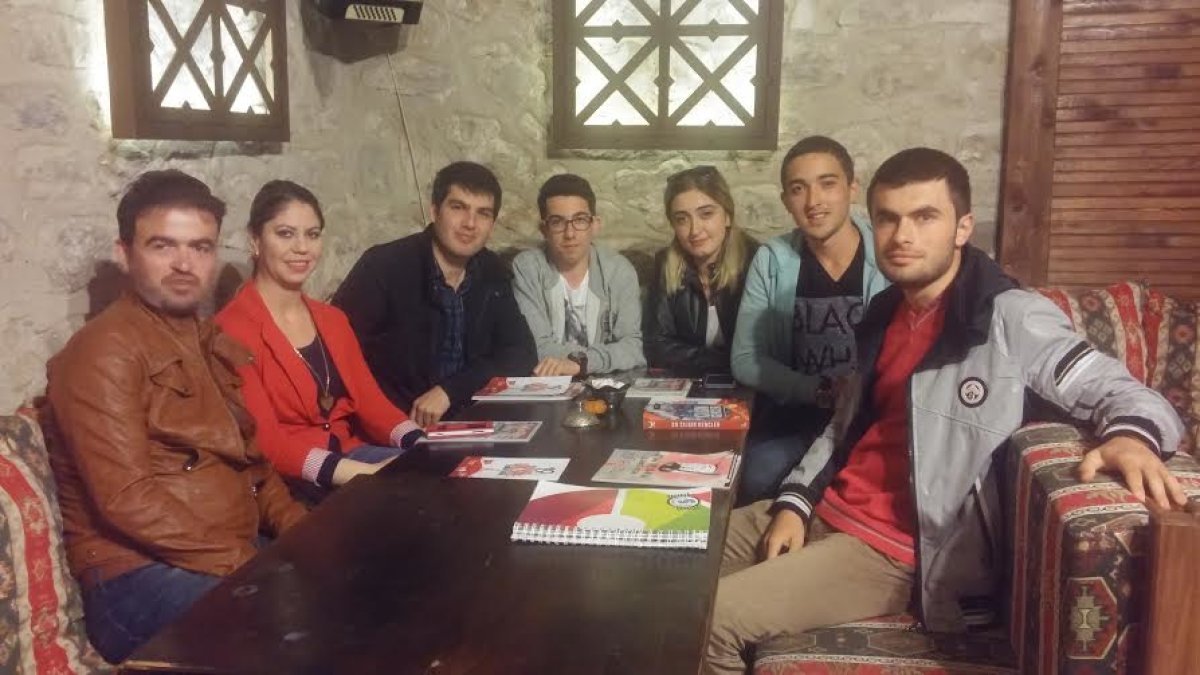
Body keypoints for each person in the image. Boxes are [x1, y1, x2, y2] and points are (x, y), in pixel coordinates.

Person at [703, 148, 1187, 675]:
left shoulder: (1008, 317)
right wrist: (795, 503)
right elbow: (842, 428)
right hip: (828, 510)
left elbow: (1129, 394)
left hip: (893, 551)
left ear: (963, 228)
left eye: (924, 217)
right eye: (888, 218)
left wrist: (1131, 438)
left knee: (712, 619)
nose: (902, 235)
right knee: (674, 555)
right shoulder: (885, 313)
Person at [43, 170, 308, 664]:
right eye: (163, 246)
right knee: (300, 630)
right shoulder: (103, 351)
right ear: (125, 253)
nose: (185, 264)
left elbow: (254, 464)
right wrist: (250, 564)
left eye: (200, 247)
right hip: (136, 577)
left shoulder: (203, 338)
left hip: (222, 551)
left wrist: (307, 533)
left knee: (361, 582)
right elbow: (128, 500)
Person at [216, 181, 423, 495]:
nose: (302, 247)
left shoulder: (333, 319)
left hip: (352, 454)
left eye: (312, 235)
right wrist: (366, 473)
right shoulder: (231, 329)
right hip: (290, 478)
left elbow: (372, 403)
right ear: (255, 240)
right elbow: (267, 442)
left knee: (447, 479)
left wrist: (421, 443)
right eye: (285, 234)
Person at [730, 136, 889, 504]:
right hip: (797, 419)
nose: (813, 201)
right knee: (754, 476)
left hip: (870, 419)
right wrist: (817, 390)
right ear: (786, 200)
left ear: (852, 188)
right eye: (798, 189)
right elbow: (745, 358)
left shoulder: (886, 252)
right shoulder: (773, 259)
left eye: (827, 184)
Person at [332, 161, 537, 426]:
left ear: (492, 224)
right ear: (434, 211)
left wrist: (451, 390)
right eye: (458, 207)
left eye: (483, 213)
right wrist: (392, 421)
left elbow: (520, 352)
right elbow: (338, 354)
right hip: (392, 424)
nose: (470, 223)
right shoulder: (384, 266)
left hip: (470, 421)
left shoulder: (492, 270)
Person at [511, 173, 645, 376]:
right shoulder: (528, 268)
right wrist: (599, 359)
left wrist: (582, 363)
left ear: (595, 224)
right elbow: (534, 346)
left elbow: (633, 348)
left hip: (605, 384)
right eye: (557, 222)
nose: (570, 234)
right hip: (546, 384)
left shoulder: (619, 271)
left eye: (580, 220)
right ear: (544, 229)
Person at [644, 165, 757, 376]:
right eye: (682, 219)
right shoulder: (666, 263)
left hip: (747, 384)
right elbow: (656, 345)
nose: (695, 230)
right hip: (690, 384)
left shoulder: (756, 260)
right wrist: (723, 361)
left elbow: (763, 349)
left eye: (706, 214)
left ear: (727, 216)